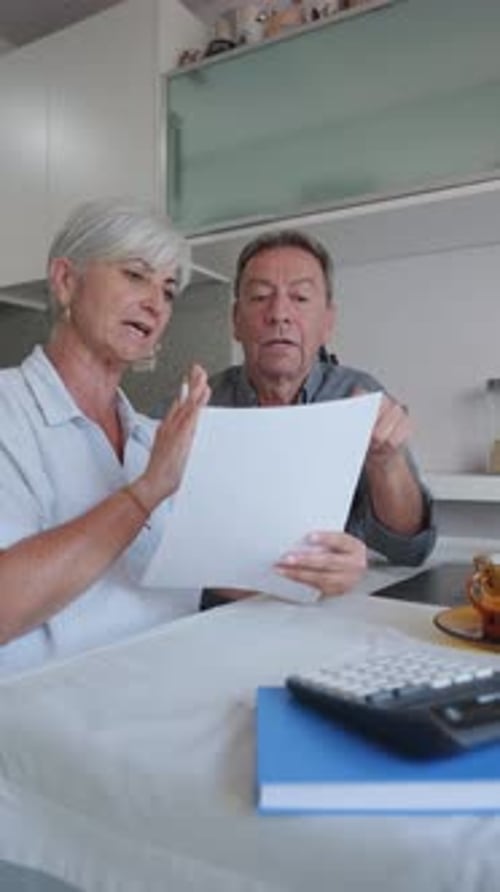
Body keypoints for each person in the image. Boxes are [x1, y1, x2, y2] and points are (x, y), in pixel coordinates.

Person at [0, 198, 210, 674]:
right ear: (65, 281)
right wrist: (146, 492)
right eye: (135, 275)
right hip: (48, 708)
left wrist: (314, 566)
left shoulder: (156, 439)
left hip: (175, 683)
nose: (155, 304)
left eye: (169, 291)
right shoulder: (8, 413)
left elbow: (221, 572)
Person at [201, 229, 435, 607]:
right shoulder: (196, 405)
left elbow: (409, 549)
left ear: (327, 322)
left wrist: (386, 462)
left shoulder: (359, 395)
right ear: (235, 320)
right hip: (213, 616)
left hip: (329, 612)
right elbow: (147, 543)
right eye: (259, 297)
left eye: (300, 297)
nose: (279, 314)